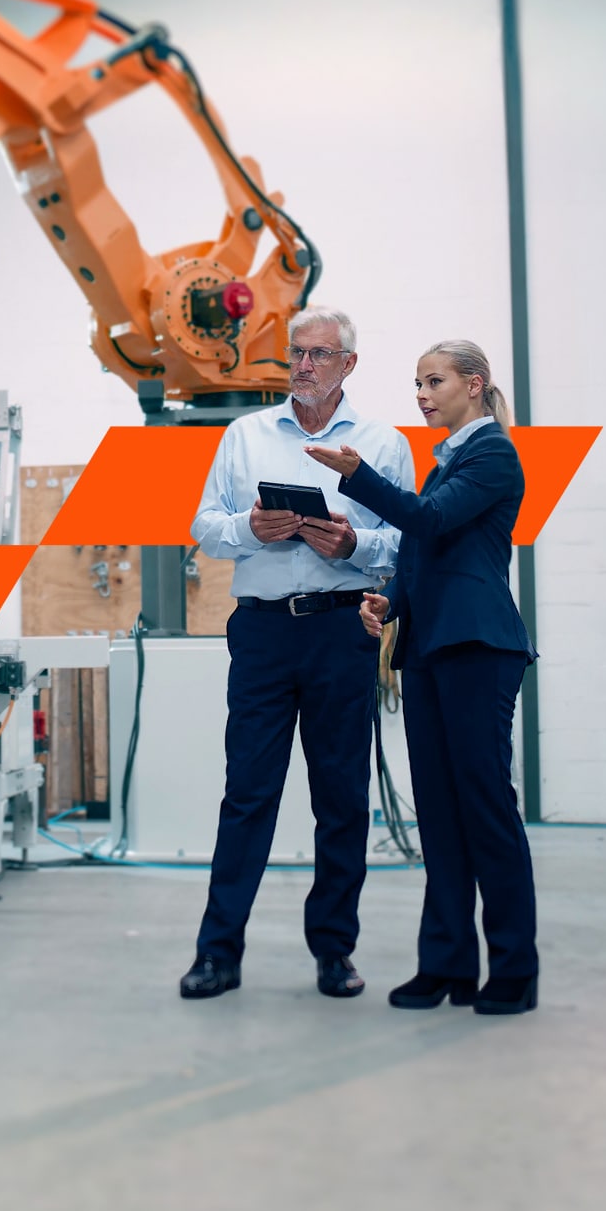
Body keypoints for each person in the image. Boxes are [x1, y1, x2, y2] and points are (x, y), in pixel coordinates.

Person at [180, 308, 415, 1001]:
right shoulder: (244, 435)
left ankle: (334, 952)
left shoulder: (382, 442)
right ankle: (217, 953)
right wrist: (251, 529)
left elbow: (407, 541)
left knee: (341, 799)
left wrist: (354, 547)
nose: (304, 365)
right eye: (296, 354)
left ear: (348, 364)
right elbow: (205, 528)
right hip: (262, 634)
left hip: (342, 632)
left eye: (319, 354)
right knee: (248, 793)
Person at [305, 340, 539, 1016]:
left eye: (434, 381)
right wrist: (391, 601)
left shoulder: (492, 453)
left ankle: (514, 969)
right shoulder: (450, 463)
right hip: (434, 648)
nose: (422, 394)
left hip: (478, 648)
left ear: (475, 383)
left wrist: (360, 475)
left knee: (486, 811)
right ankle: (447, 966)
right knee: (439, 816)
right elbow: (426, 551)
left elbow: (430, 521)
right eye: (416, 383)